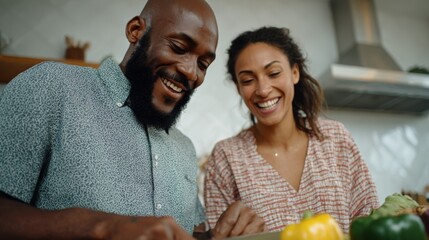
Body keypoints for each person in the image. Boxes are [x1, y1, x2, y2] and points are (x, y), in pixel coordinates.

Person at [0, 0, 265, 239]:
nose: (190, 72)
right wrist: (102, 227)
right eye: (179, 47)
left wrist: (218, 236)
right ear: (135, 31)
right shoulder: (51, 87)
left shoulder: (184, 148)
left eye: (203, 64)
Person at [204, 26, 380, 234]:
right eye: (248, 80)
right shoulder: (226, 158)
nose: (263, 89)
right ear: (238, 88)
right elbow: (219, 235)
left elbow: (371, 222)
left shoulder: (336, 138)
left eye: (273, 73)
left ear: (294, 73)